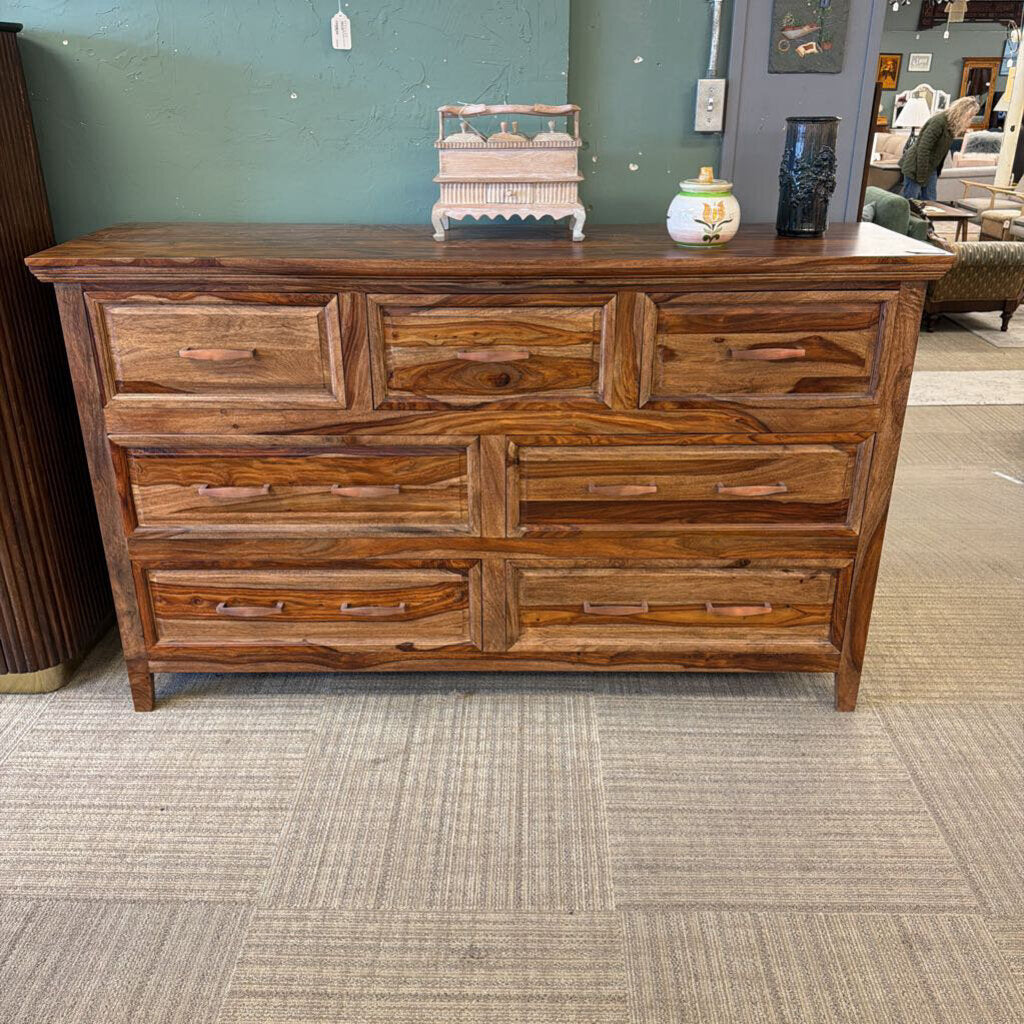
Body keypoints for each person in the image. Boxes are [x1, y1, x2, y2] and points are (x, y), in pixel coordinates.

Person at [899, 96, 980, 201]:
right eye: (969, 116)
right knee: (910, 202)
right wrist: (921, 176)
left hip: (931, 168)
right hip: (916, 166)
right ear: (961, 112)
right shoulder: (939, 122)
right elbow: (923, 148)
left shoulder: (951, 125)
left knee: (930, 202)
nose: (970, 120)